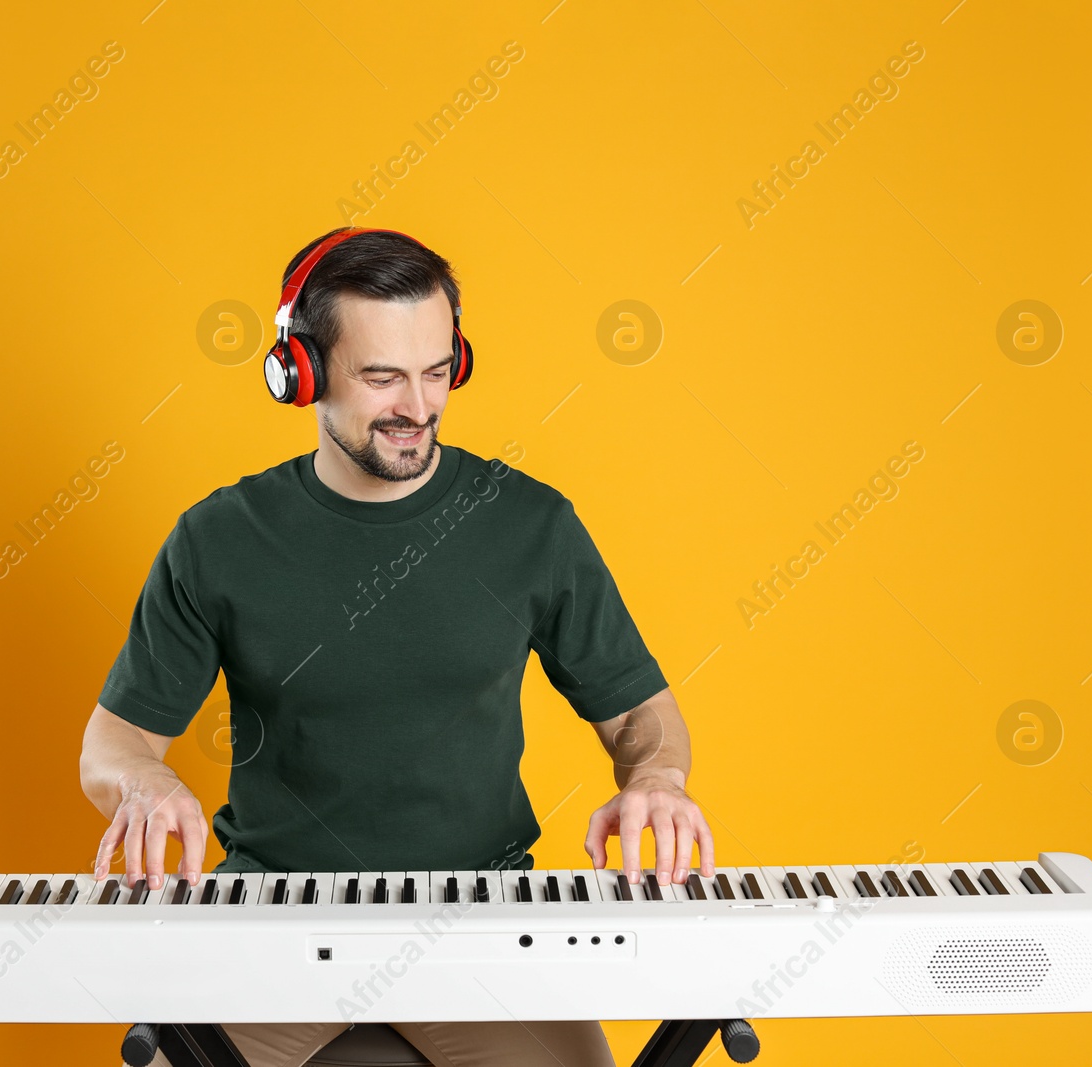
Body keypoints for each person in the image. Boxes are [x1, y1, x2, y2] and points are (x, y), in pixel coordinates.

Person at [79, 227, 717, 1067]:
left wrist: (659, 780)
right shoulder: (218, 538)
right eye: (381, 377)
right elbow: (112, 741)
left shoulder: (533, 526)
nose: (416, 405)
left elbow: (642, 713)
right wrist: (146, 781)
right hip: (272, 920)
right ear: (299, 372)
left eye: (435, 369)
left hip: (482, 922)